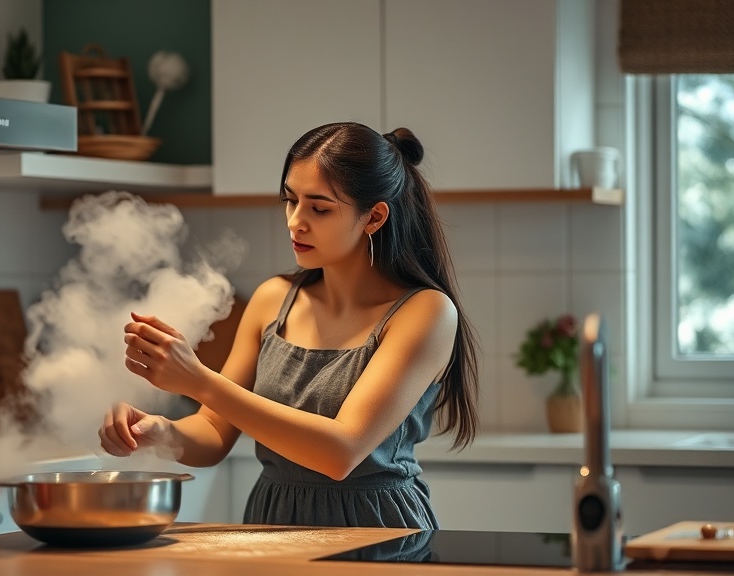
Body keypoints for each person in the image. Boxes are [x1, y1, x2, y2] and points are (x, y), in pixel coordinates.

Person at [99, 122, 480, 529]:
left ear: (374, 217)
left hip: (376, 528)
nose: (295, 221)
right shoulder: (272, 299)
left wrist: (198, 381)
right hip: (272, 520)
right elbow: (213, 429)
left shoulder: (425, 311)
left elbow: (341, 452)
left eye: (319, 208)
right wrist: (161, 432)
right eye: (290, 200)